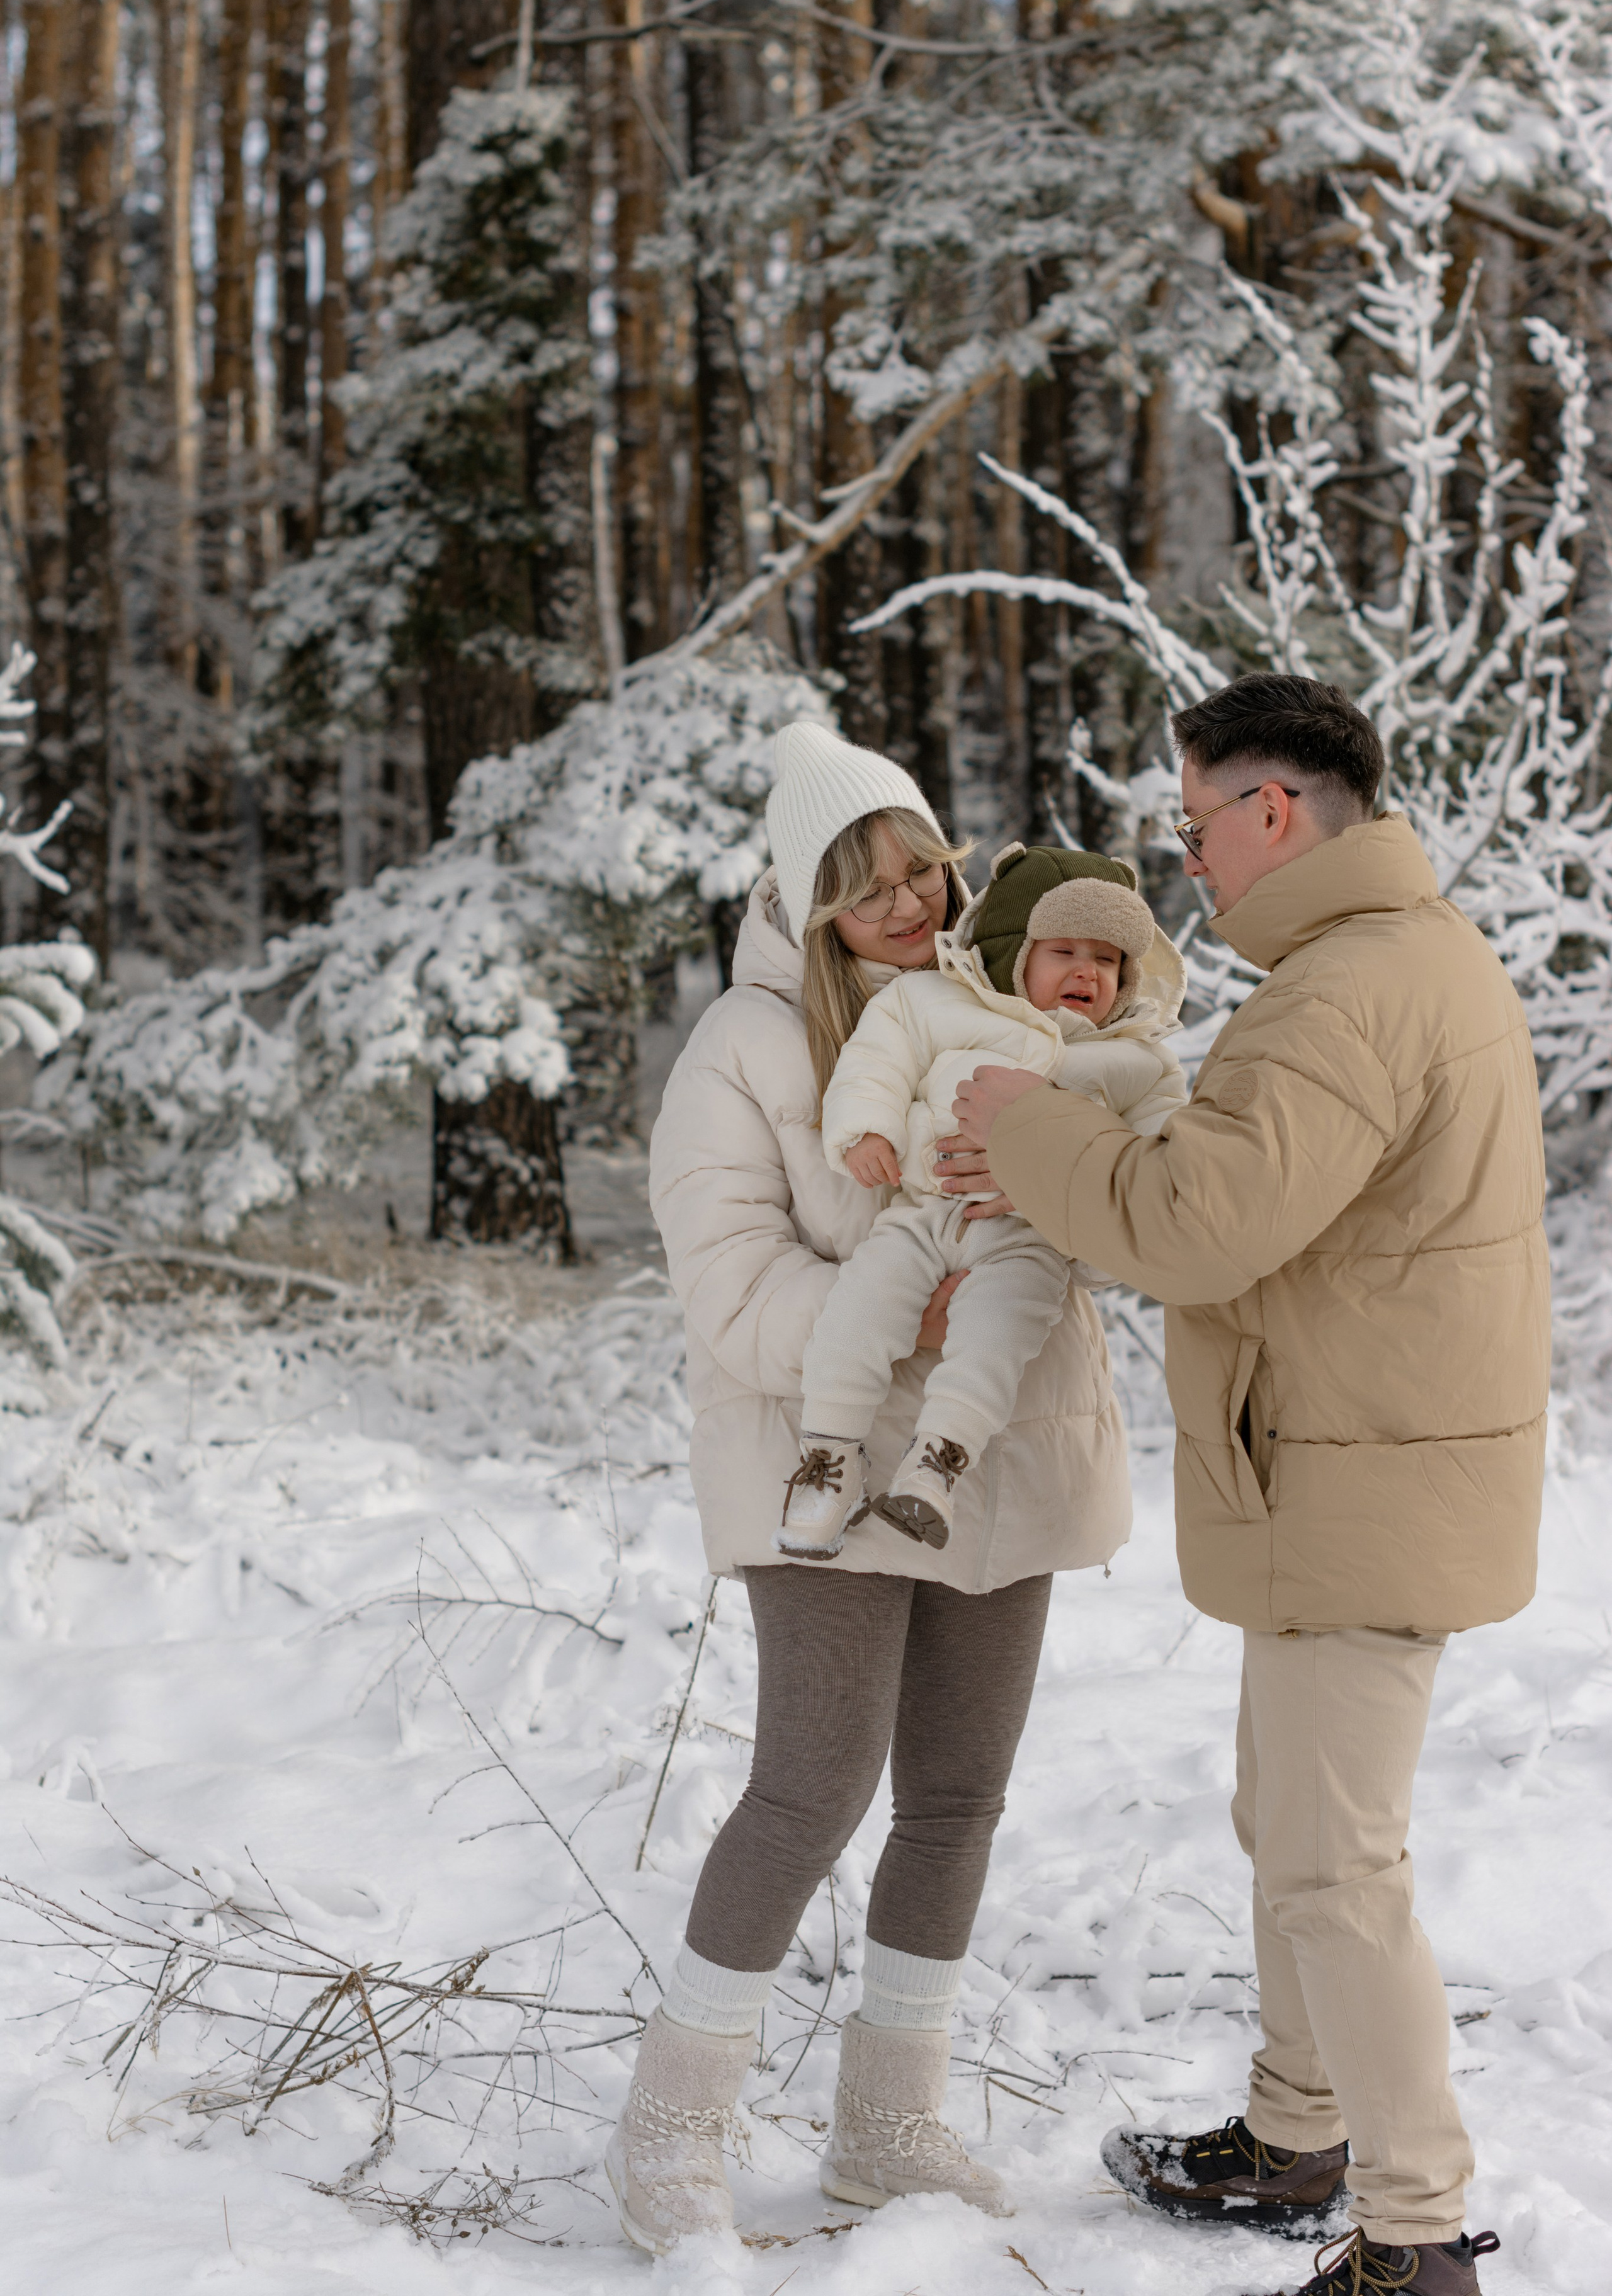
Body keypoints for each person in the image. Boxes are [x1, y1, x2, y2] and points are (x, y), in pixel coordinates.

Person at [943, 673, 1543, 2296]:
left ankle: (1413, 2241)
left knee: (1334, 1869)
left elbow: (1196, 1225)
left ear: (1270, 810)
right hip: (1353, 1473)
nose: (1186, 856)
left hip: (1360, 1487)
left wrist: (1024, 1128)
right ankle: (1295, 2135)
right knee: (1287, 1830)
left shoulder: (1342, 992)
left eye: (1195, 818)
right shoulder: (1397, 956)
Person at [607, 720, 1133, 2254]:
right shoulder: (742, 1046)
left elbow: (1099, 1184)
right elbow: (726, 1281)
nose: (908, 901)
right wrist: (899, 1311)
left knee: (957, 1793)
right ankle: (667, 2129)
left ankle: (888, 2123)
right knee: (809, 1788)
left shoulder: (1005, 1000)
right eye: (866, 882)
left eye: (921, 867)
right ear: (806, 897)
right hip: (821, 1456)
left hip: (989, 1444)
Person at [778, 841, 1186, 1558]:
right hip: (921, 1212)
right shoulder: (935, 1001)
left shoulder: (1140, 1061)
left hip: (1029, 1238)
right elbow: (875, 1060)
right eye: (1063, 951)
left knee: (998, 1338)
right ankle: (828, 1457)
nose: (1087, 971)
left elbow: (1152, 1173)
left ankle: (936, 1465)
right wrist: (866, 1129)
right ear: (1012, 952)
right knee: (859, 1311)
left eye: (1108, 957)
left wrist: (1070, 1187)